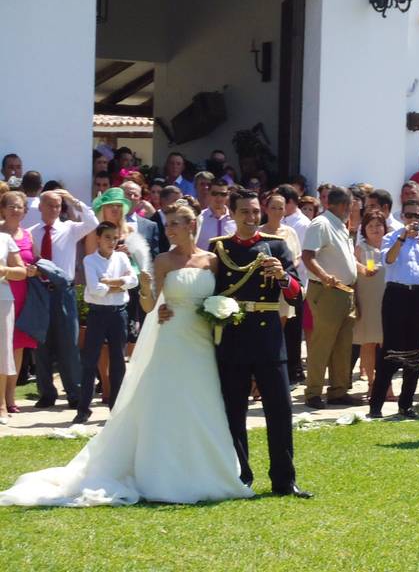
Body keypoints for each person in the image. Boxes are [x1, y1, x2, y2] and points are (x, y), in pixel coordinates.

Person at [0, 202, 255, 506]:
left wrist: (221, 312)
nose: (170, 229)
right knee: (169, 402)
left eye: (175, 224)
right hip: (172, 338)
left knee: (203, 399)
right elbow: (150, 307)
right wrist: (147, 291)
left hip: (202, 340)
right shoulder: (162, 260)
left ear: (190, 226)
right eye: (168, 223)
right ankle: (164, 471)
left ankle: (208, 468)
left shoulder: (212, 261)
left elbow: (220, 296)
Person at [202, 190, 310, 497]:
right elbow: (209, 292)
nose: (251, 218)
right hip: (233, 336)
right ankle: (241, 477)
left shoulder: (276, 246)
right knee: (234, 412)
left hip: (268, 337)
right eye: (244, 212)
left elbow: (296, 294)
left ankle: (284, 480)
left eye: (254, 212)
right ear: (233, 215)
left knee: (280, 410)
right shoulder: (219, 250)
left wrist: (282, 278)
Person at [27, 189, 99, 408]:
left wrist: (71, 199)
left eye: (58, 205)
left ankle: (74, 393)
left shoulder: (69, 228)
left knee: (68, 343)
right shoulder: (31, 232)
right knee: (42, 344)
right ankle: (46, 393)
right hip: (40, 290)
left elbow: (92, 222)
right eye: (50, 205)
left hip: (63, 291)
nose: (54, 209)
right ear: (40, 207)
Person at [369, 200, 419, 418]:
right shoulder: (391, 236)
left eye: (417, 217)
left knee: (414, 350)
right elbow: (388, 260)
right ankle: (376, 406)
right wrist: (401, 238)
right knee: (390, 348)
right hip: (396, 293)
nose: (413, 221)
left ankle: (406, 405)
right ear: (402, 217)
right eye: (409, 216)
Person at [302, 186, 366, 408]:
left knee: (343, 344)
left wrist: (360, 271)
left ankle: (338, 391)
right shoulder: (322, 223)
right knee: (323, 343)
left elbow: (343, 257)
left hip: (345, 291)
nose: (352, 209)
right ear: (343, 205)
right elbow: (308, 256)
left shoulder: (339, 225)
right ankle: (313, 393)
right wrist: (325, 276)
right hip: (327, 290)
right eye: (350, 205)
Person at [76, 222, 138, 423]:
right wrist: (120, 283)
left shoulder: (121, 257)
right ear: (99, 239)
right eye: (107, 237)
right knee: (90, 360)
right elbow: (95, 289)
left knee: (118, 360)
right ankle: (83, 409)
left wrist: (109, 282)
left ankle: (116, 407)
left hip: (118, 313)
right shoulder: (90, 260)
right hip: (97, 314)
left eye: (115, 237)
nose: (112, 241)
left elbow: (133, 280)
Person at [260, 192, 304, 384]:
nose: (277, 211)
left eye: (281, 207)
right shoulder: (259, 232)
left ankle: (274, 376)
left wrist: (286, 266)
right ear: (266, 209)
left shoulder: (290, 232)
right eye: (273, 207)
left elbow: (298, 256)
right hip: (264, 287)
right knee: (263, 334)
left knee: (279, 332)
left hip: (284, 286)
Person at [0, 192, 37, 415]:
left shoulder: (27, 235)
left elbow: (32, 262)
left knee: (15, 346)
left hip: (16, 293)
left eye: (19, 207)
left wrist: (32, 270)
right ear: (2, 209)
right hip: (8, 291)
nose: (15, 210)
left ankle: (9, 398)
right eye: (11, 206)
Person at [354, 210, 387, 399]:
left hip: (388, 300)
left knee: (386, 343)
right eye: (370, 226)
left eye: (378, 225)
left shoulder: (392, 245)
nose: (375, 229)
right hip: (367, 301)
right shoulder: (360, 249)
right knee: (368, 342)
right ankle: (372, 383)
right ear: (364, 229)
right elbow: (352, 268)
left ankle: (385, 383)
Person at [0, 221, 27, 425]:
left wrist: (3, 270)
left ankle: (1, 404)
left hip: (3, 299)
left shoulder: (5, 239)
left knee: (2, 351)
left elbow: (21, 271)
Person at [196, 178, 236, 250]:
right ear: (208, 193)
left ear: (228, 195)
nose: (219, 198)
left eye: (223, 194)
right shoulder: (198, 218)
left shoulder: (236, 219)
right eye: (214, 193)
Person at [150, 186, 184, 253]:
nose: (179, 205)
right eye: (175, 201)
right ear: (163, 200)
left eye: (181, 202)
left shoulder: (183, 221)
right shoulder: (152, 223)